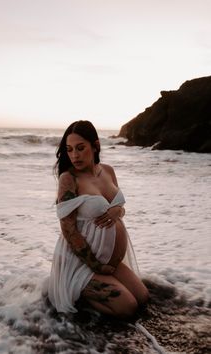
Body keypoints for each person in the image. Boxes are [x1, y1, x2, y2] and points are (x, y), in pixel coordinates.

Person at [47, 120, 149, 318]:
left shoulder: (108, 171)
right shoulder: (69, 179)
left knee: (143, 297)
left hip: (109, 261)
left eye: (80, 148)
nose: (74, 155)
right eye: (69, 149)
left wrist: (117, 212)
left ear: (95, 146)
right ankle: (79, 293)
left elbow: (119, 208)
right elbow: (68, 229)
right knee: (128, 308)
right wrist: (96, 266)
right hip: (81, 264)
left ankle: (97, 287)